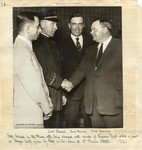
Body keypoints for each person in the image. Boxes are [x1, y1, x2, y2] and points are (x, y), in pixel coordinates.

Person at [62, 18, 123, 128]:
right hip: (93, 107)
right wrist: (70, 83)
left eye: (94, 30)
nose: (91, 33)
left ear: (105, 30)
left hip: (113, 105)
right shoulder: (90, 50)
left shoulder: (121, 46)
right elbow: (82, 70)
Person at [13, 11, 53, 128]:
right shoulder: (21, 51)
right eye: (38, 27)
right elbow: (33, 86)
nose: (40, 31)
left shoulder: (23, 48)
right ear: (28, 29)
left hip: (28, 111)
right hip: (28, 113)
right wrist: (46, 108)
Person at [33, 9, 67, 128]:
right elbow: (42, 72)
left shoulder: (50, 41)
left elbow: (59, 68)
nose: (56, 27)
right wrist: (62, 83)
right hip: (46, 100)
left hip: (55, 96)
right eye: (53, 24)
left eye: (56, 24)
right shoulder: (37, 43)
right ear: (42, 24)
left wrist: (62, 93)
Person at [59, 12, 92, 128]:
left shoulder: (92, 42)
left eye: (80, 24)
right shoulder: (61, 44)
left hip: (89, 92)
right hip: (71, 94)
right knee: (69, 127)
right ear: (69, 25)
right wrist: (62, 93)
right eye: (74, 24)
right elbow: (60, 70)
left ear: (84, 25)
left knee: (92, 128)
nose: (77, 27)